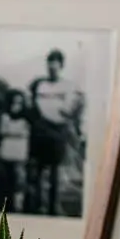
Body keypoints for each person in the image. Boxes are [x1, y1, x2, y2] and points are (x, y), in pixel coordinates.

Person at [27, 49, 82, 216]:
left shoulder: (68, 86)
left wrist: (62, 113)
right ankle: (35, 207)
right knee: (36, 171)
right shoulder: (40, 85)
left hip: (58, 132)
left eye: (55, 67)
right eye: (49, 67)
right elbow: (34, 106)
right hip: (41, 131)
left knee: (55, 173)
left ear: (61, 67)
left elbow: (70, 110)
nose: (51, 70)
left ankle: (52, 208)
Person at [0, 90, 30, 212]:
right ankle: (5, 206)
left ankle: (18, 207)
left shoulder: (25, 119)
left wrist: (12, 132)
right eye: (14, 102)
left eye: (19, 103)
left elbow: (25, 134)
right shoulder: (5, 117)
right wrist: (17, 132)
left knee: (19, 183)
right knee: (5, 183)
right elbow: (3, 131)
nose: (16, 106)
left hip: (20, 155)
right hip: (6, 154)